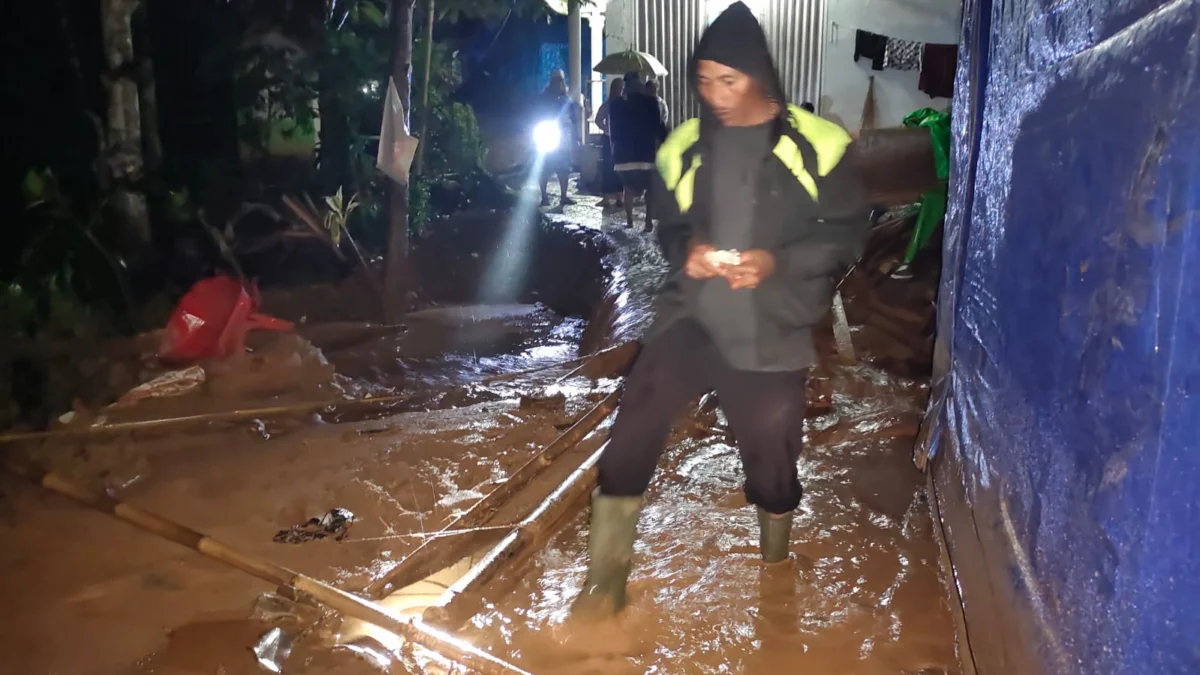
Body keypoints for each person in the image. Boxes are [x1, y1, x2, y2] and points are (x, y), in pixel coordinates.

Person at [571, 1, 869, 619]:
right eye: (704, 81)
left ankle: (776, 568)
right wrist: (693, 250)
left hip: (772, 322)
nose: (715, 93)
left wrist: (774, 263)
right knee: (639, 413)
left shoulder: (817, 145)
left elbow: (844, 232)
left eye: (727, 81)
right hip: (695, 314)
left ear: (759, 75)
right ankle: (603, 589)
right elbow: (670, 225)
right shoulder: (683, 146)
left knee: (773, 455)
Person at [608, 72, 667, 230]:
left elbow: (612, 132)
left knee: (628, 188)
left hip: (623, 158)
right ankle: (648, 221)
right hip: (646, 156)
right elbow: (658, 128)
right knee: (650, 187)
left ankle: (629, 220)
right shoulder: (651, 102)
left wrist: (614, 152)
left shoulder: (615, 104)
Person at [536, 69, 580, 209]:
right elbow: (535, 115)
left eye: (560, 81)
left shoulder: (567, 99)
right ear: (551, 82)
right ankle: (544, 196)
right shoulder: (543, 98)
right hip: (547, 135)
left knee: (564, 168)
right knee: (544, 167)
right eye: (556, 81)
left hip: (563, 138)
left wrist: (575, 138)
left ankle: (564, 196)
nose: (558, 83)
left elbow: (573, 119)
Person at [594, 78, 626, 209]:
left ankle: (620, 196)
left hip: (621, 139)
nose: (621, 90)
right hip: (609, 139)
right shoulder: (609, 104)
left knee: (620, 168)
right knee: (608, 168)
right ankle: (607, 197)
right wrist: (607, 130)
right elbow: (598, 119)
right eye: (619, 87)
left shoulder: (624, 103)